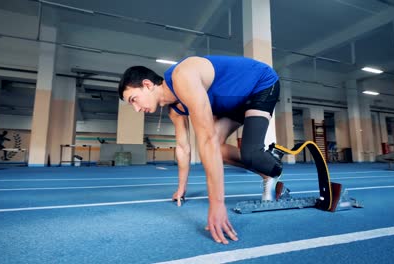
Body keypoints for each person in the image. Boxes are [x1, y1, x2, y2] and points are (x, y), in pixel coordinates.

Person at [118, 55, 283, 244]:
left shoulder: (183, 76)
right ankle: (267, 171)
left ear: (147, 85)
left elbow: (207, 138)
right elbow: (183, 147)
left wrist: (217, 204)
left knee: (249, 153)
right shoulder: (175, 110)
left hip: (260, 85)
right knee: (218, 151)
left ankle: (271, 163)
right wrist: (181, 188)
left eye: (133, 100)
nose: (136, 109)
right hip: (233, 103)